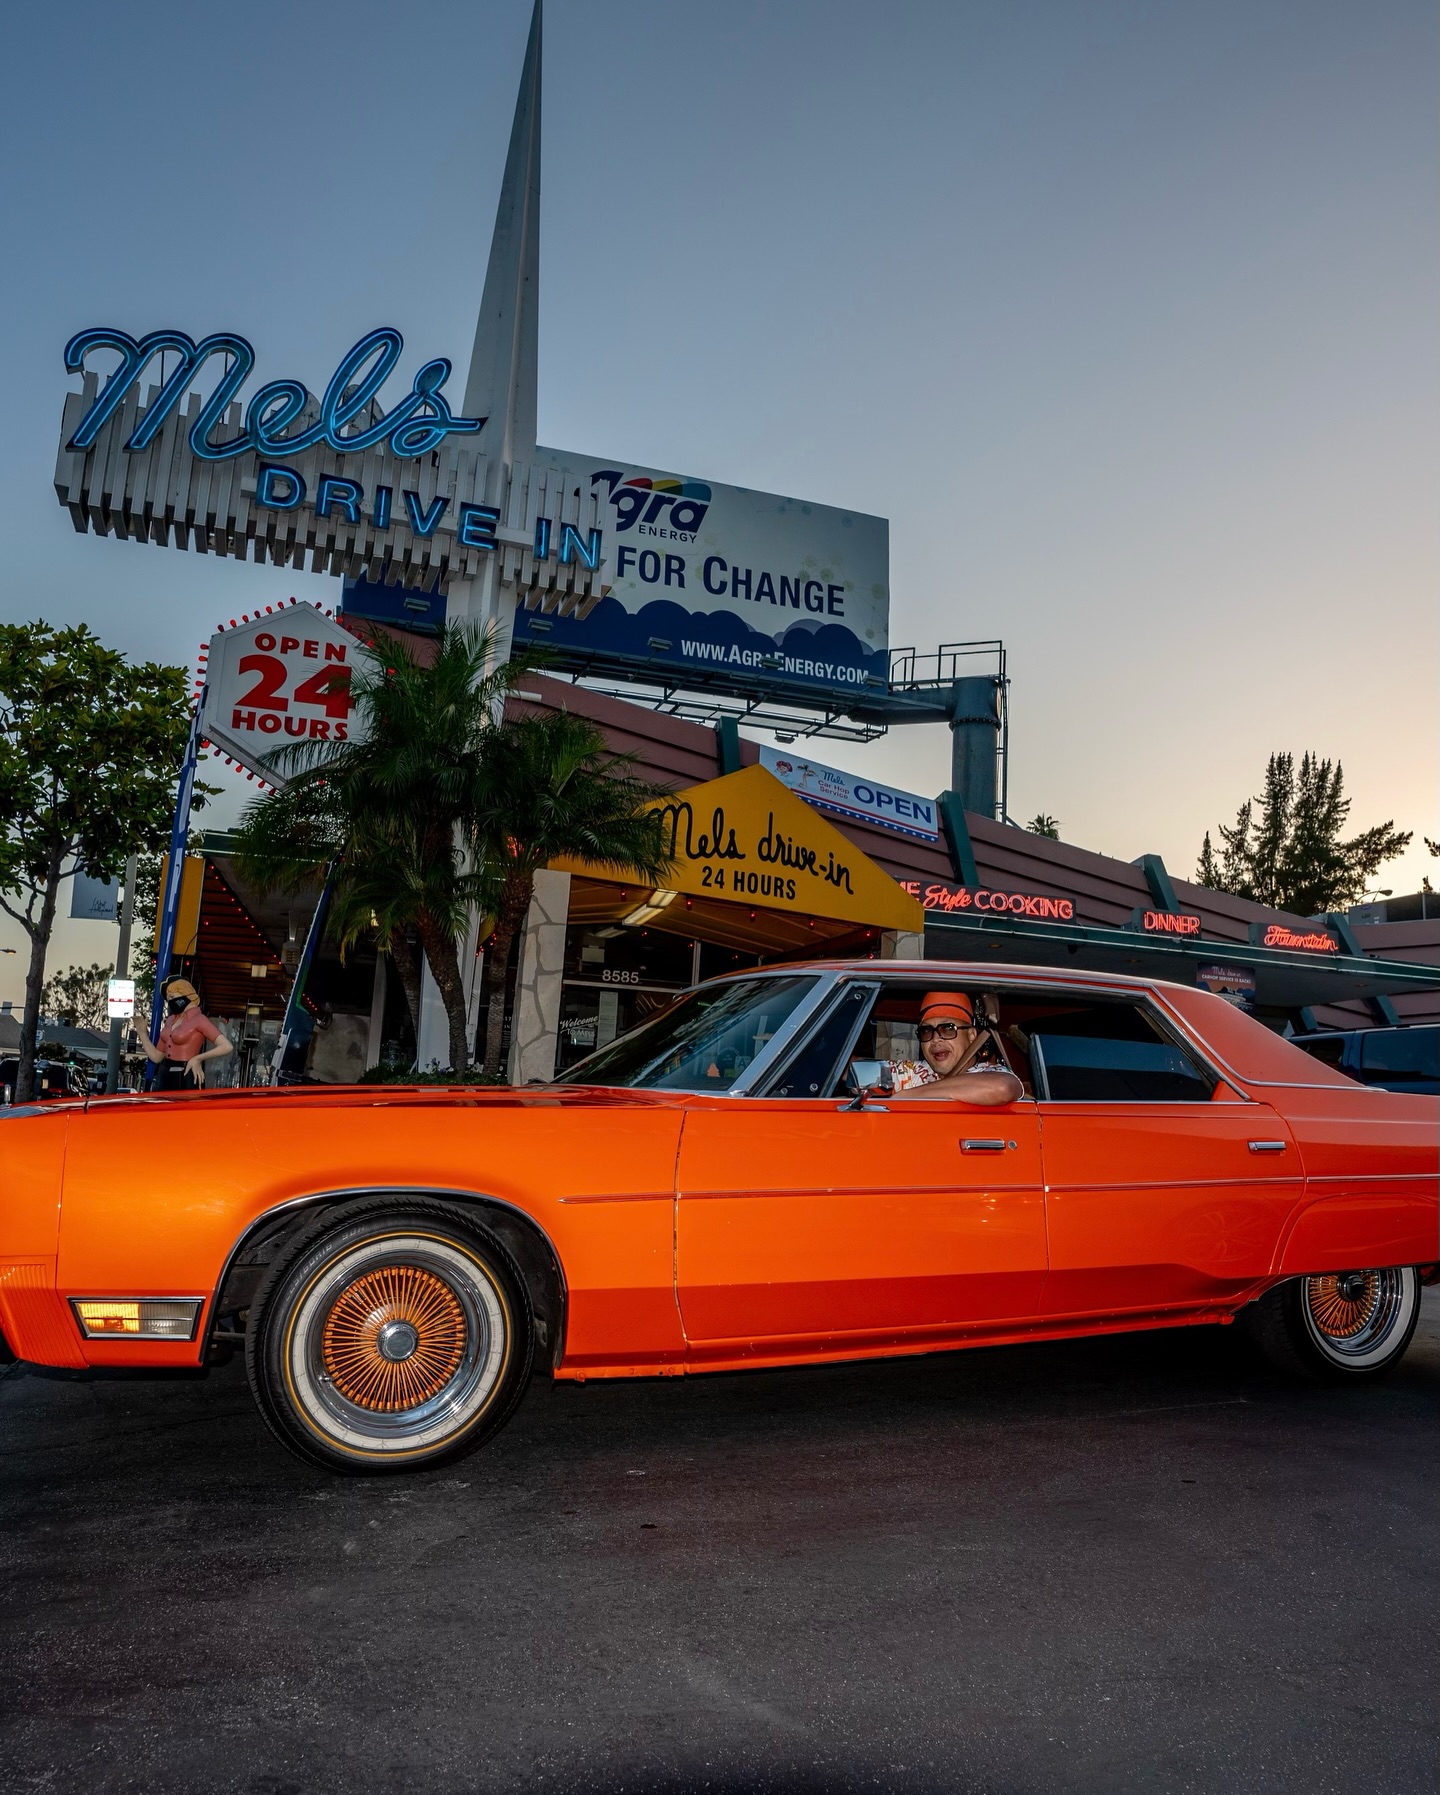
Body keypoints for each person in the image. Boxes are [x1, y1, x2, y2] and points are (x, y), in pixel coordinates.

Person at [888, 990, 1023, 1106]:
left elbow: (1001, 1088)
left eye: (947, 1029)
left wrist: (908, 1095)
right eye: (927, 1031)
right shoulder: (913, 1072)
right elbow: (871, 1074)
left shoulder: (990, 1073)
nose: (935, 1039)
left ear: (971, 1035)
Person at [135, 977, 233, 1091]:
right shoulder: (170, 1021)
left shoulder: (199, 1019)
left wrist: (197, 1059)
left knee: (184, 1107)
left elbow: (226, 1046)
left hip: (186, 1073)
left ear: (186, 994)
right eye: (168, 998)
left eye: (172, 997)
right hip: (164, 1073)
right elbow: (157, 1057)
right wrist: (142, 1033)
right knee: (160, 1107)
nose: (170, 1001)